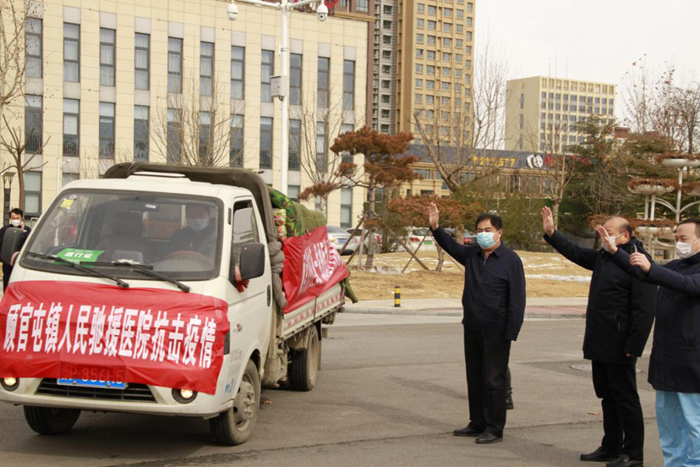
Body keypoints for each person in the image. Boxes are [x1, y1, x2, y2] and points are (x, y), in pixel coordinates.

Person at [542, 208, 656, 467]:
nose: (603, 235)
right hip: (600, 339)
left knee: (626, 398)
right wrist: (552, 232)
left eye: (609, 232)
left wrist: (634, 345)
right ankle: (611, 446)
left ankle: (633, 454)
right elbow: (577, 253)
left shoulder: (638, 261)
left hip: (621, 343)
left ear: (625, 236)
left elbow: (644, 308)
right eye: (602, 231)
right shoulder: (606, 257)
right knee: (608, 396)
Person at [598, 219, 700, 467]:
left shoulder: (689, 273)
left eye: (684, 238)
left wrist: (650, 269)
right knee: (669, 423)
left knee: (693, 423)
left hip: (691, 363)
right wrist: (615, 253)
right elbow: (642, 271)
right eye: (676, 238)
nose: (679, 243)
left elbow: (688, 285)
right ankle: (674, 463)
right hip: (667, 361)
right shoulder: (676, 265)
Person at [428, 203, 526, 444]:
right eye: (479, 230)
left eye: (488, 230)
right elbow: (450, 246)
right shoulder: (472, 255)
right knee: (475, 377)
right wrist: (435, 227)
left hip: (497, 330)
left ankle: (495, 428)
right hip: (472, 326)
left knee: (494, 380)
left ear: (499, 232)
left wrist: (511, 332)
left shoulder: (510, 260)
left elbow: (517, 299)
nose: (483, 234)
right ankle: (477, 422)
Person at [0, 208, 31, 291]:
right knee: (7, 280)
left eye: (17, 218)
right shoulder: (4, 230)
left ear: (21, 218)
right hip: (7, 260)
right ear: (10, 218)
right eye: (13, 218)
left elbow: (29, 242)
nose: (15, 220)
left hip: (20, 260)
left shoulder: (27, 229)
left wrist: (23, 230)